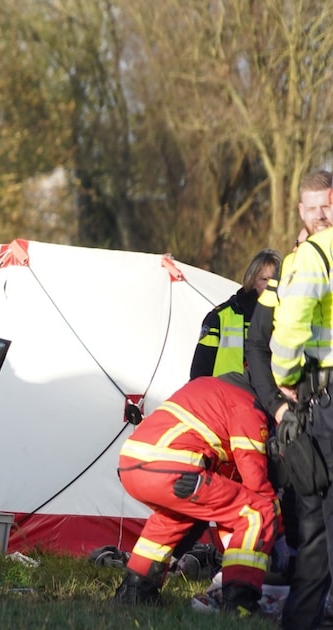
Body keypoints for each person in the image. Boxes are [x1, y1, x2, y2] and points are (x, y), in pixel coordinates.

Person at [112, 372, 278, 616]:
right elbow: (255, 481)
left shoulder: (210, 386)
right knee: (258, 512)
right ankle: (239, 603)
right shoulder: (247, 405)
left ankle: (136, 591)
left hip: (131, 462)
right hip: (173, 466)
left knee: (174, 519)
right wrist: (279, 530)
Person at [270, 170, 333, 629]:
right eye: (312, 208)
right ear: (299, 210)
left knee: (313, 522)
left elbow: (290, 327)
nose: (319, 217)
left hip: (322, 399)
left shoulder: (311, 255)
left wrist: (285, 381)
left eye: (325, 207)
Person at [190, 249, 281, 379]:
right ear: (252, 280)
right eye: (264, 279)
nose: (269, 286)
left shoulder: (289, 318)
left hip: (269, 396)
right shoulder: (220, 317)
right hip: (224, 395)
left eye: (275, 280)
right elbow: (199, 371)